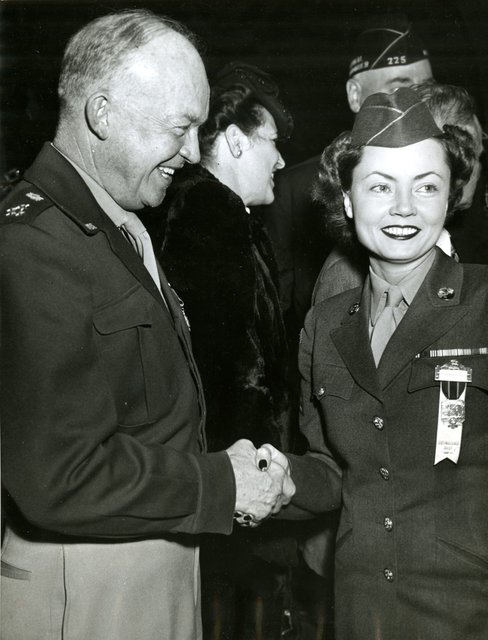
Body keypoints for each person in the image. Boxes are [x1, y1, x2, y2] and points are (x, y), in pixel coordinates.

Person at [0, 11, 294, 640]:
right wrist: (221, 484)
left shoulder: (120, 226)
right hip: (87, 596)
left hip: (151, 573)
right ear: (101, 114)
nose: (192, 153)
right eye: (180, 127)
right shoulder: (33, 247)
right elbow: (58, 474)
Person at [264, 87, 488, 639]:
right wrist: (276, 476)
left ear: (450, 198)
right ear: (346, 199)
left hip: (475, 612)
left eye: (426, 187)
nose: (403, 209)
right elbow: (330, 469)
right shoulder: (324, 325)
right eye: (379, 187)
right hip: (363, 607)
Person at [160, 61, 296, 640]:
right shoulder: (210, 211)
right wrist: (248, 466)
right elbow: (222, 361)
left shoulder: (221, 211)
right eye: (273, 143)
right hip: (230, 470)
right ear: (236, 141)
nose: (283, 160)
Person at [260, 16, 433, 331]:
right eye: (399, 89)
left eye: (427, 90)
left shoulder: (449, 180)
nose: (418, 104)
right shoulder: (294, 189)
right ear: (355, 95)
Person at [313, 81, 488, 304]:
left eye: (426, 187)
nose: (475, 168)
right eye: (469, 153)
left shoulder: (455, 241)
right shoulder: (347, 277)